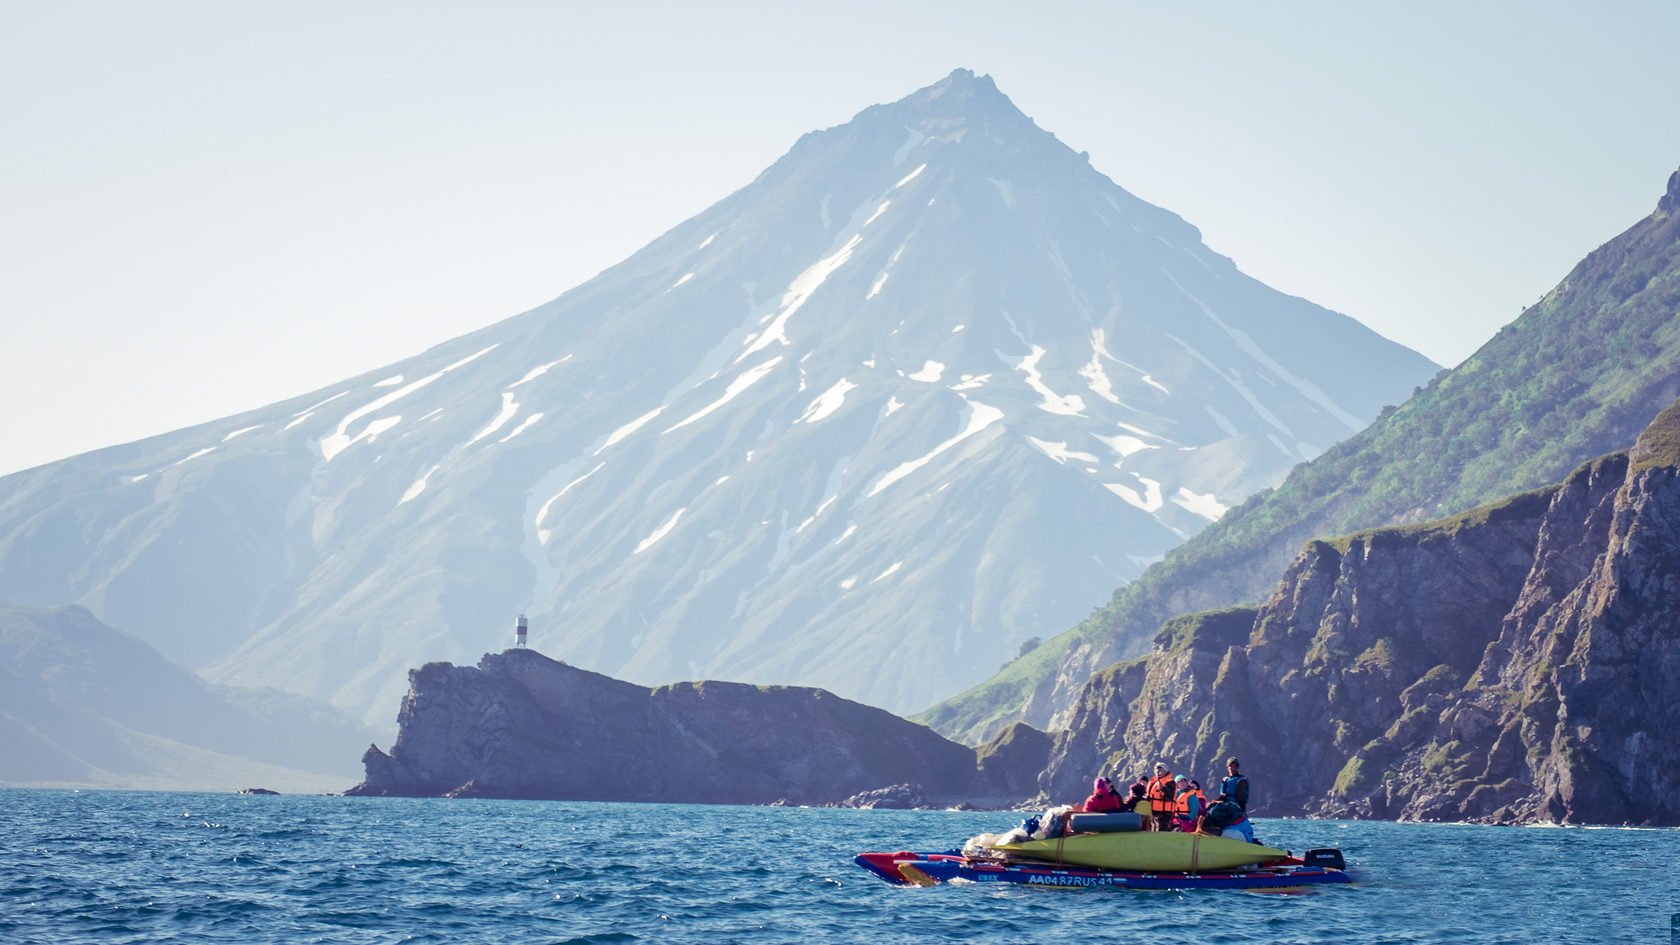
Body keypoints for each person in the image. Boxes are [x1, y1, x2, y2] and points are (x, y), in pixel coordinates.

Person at [1145, 762, 1178, 832]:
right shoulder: (1152, 782)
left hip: (1164, 813)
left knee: (1162, 830)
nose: (1158, 772)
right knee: (1153, 829)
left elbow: (1169, 797)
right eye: (1156, 771)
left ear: (1165, 771)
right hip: (1153, 811)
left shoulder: (1170, 782)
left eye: (1160, 770)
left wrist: (1162, 788)